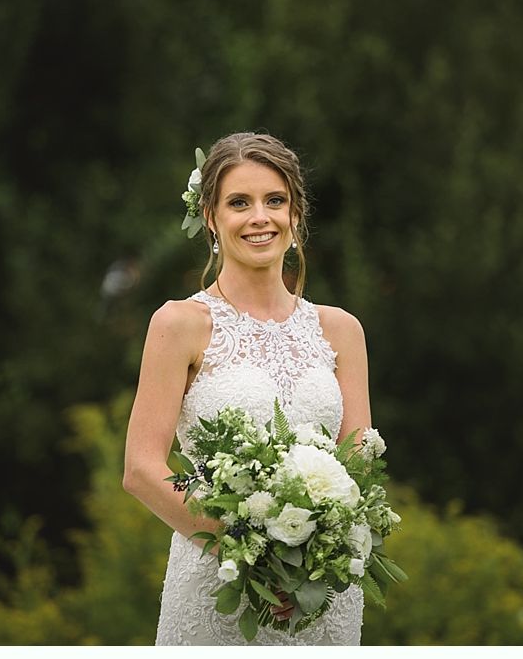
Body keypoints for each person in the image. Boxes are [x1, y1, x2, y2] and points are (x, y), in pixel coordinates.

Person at [122, 132, 371, 645]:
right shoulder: (179, 324)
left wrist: (312, 559)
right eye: (240, 202)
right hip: (221, 588)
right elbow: (142, 469)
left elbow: (358, 463)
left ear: (296, 214)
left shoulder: (341, 330)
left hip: (323, 591)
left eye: (275, 200)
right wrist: (252, 554)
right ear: (211, 217)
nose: (261, 217)